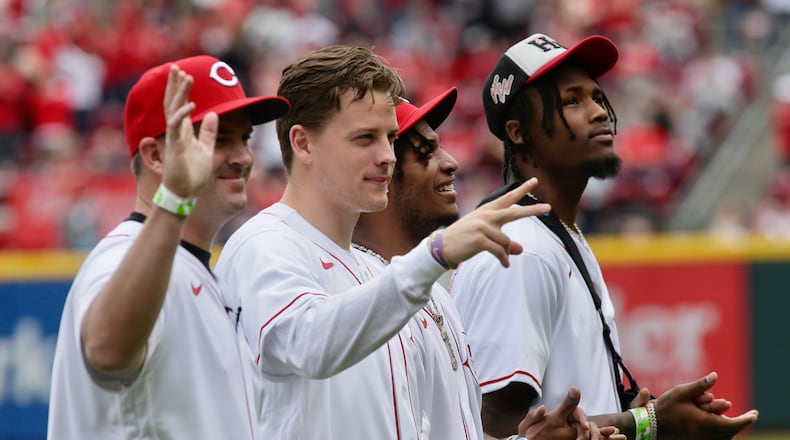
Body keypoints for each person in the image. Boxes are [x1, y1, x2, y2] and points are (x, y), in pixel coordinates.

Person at [214, 44, 551, 439]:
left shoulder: (378, 273)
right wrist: (433, 256)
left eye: (389, 137)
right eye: (364, 138)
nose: (387, 155)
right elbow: (309, 344)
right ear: (303, 143)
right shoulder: (263, 243)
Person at [450, 33, 760, 439]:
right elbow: (496, 426)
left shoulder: (558, 234)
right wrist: (651, 423)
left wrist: (622, 411)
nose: (597, 112)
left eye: (596, 97)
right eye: (572, 101)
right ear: (519, 131)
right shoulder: (519, 248)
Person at [352, 87, 626, 440]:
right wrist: (647, 421)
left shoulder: (436, 298)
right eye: (427, 151)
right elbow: (495, 418)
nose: (451, 162)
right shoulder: (354, 295)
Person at [47, 55, 289, 438]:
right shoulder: (122, 256)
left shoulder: (200, 274)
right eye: (215, 138)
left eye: (243, 138)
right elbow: (107, 352)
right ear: (157, 155)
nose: (243, 156)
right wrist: (175, 198)